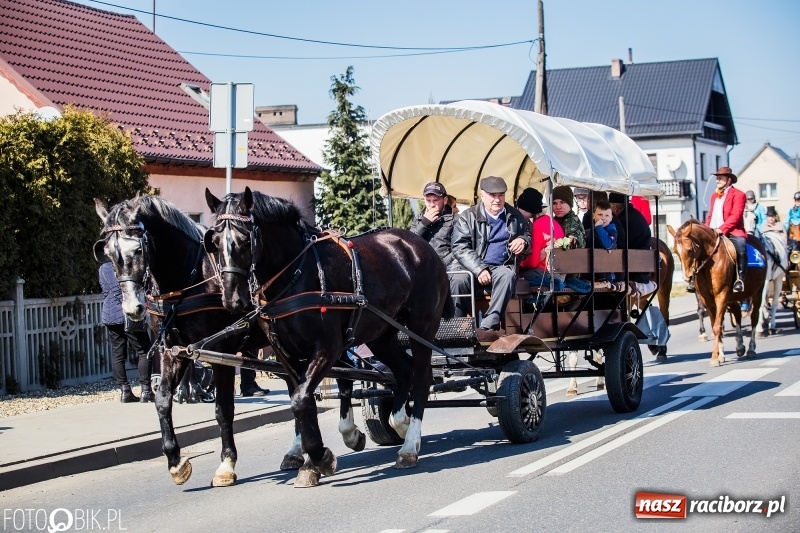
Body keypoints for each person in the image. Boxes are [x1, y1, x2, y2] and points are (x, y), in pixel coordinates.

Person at [451, 176, 530, 340]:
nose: (497, 199)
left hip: (501, 267)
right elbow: (459, 246)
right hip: (472, 267)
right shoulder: (467, 217)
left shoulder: (515, 215)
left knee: (508, 275)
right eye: (492, 195)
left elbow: (526, 234)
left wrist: (523, 241)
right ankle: (456, 325)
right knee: (458, 279)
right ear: (482, 195)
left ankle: (489, 324)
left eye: (501, 195)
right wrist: (479, 268)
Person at [99, 261, 154, 403]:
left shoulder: (103, 268)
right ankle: (146, 390)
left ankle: (125, 391)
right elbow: (126, 291)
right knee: (145, 351)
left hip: (110, 314)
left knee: (118, 353)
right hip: (128, 313)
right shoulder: (126, 266)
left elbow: (106, 291)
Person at [702, 166, 747, 293]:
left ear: (728, 180)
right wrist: (706, 229)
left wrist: (722, 229)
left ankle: (740, 279)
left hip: (732, 231)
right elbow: (710, 215)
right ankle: (694, 280)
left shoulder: (739, 195)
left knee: (741, 248)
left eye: (720, 178)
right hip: (713, 231)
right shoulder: (713, 196)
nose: (717, 180)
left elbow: (736, 216)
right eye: (717, 178)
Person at [516, 187, 564, 290]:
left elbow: (533, 263)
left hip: (546, 274)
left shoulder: (538, 225)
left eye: (521, 209)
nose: (518, 211)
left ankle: (523, 306)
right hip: (561, 273)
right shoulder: (552, 222)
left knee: (515, 279)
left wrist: (522, 263)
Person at [609, 192, 656, 295]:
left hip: (633, 273)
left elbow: (617, 245)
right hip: (641, 268)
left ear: (615, 208)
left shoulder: (623, 220)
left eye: (609, 208)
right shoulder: (634, 215)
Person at [410, 182, 457, 268]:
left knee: (461, 279)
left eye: (435, 200)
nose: (431, 205)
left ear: (445, 200)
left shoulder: (456, 220)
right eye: (428, 200)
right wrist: (424, 223)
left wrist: (440, 264)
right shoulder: (418, 220)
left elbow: (459, 248)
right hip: (422, 267)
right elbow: (409, 242)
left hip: (448, 268)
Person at [589, 200, 619, 287]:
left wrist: (598, 226)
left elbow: (608, 244)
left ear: (611, 218)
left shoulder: (612, 231)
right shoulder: (590, 232)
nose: (603, 218)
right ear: (593, 216)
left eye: (607, 215)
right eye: (600, 215)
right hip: (591, 273)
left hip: (606, 276)